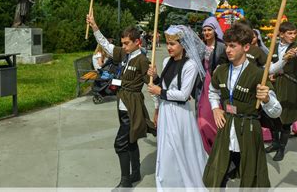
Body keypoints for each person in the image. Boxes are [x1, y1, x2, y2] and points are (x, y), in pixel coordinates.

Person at [203, 22, 282, 188]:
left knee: (250, 176)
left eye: (233, 46)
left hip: (249, 131)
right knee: (218, 172)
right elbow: (213, 92)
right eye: (227, 46)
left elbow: (276, 112)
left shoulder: (259, 74)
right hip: (226, 128)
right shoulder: (221, 70)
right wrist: (216, 109)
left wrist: (267, 99)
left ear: (246, 47)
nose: (228, 50)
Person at [86, 11, 156, 189]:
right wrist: (94, 26)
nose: (123, 46)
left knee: (120, 143)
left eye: (126, 43)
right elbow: (107, 47)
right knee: (131, 140)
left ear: (137, 42)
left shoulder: (142, 60)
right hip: (122, 103)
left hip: (132, 106)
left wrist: (157, 108)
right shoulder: (125, 54)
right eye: (122, 43)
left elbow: (153, 86)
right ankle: (136, 173)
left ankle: (125, 181)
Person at [147, 25, 208, 188]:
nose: (168, 48)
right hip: (166, 111)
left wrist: (159, 90)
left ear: (183, 44)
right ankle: (169, 183)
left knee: (180, 148)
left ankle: (186, 182)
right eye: (167, 43)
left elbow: (183, 94)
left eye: (172, 44)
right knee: (167, 149)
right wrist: (156, 78)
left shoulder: (191, 65)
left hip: (180, 114)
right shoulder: (166, 61)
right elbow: (167, 86)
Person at [266, 22, 297, 161]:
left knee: (286, 118)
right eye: (289, 33)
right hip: (275, 83)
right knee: (272, 115)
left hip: (290, 83)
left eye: (294, 33)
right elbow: (270, 67)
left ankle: (281, 148)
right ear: (281, 34)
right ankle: (274, 142)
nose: (293, 36)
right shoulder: (273, 46)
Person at [196, 17, 226, 154]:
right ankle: (205, 147)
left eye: (209, 29)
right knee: (201, 116)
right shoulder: (200, 46)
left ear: (215, 31)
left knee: (213, 114)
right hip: (201, 83)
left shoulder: (222, 47)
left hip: (214, 83)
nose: (206, 32)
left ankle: (217, 144)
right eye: (204, 30)